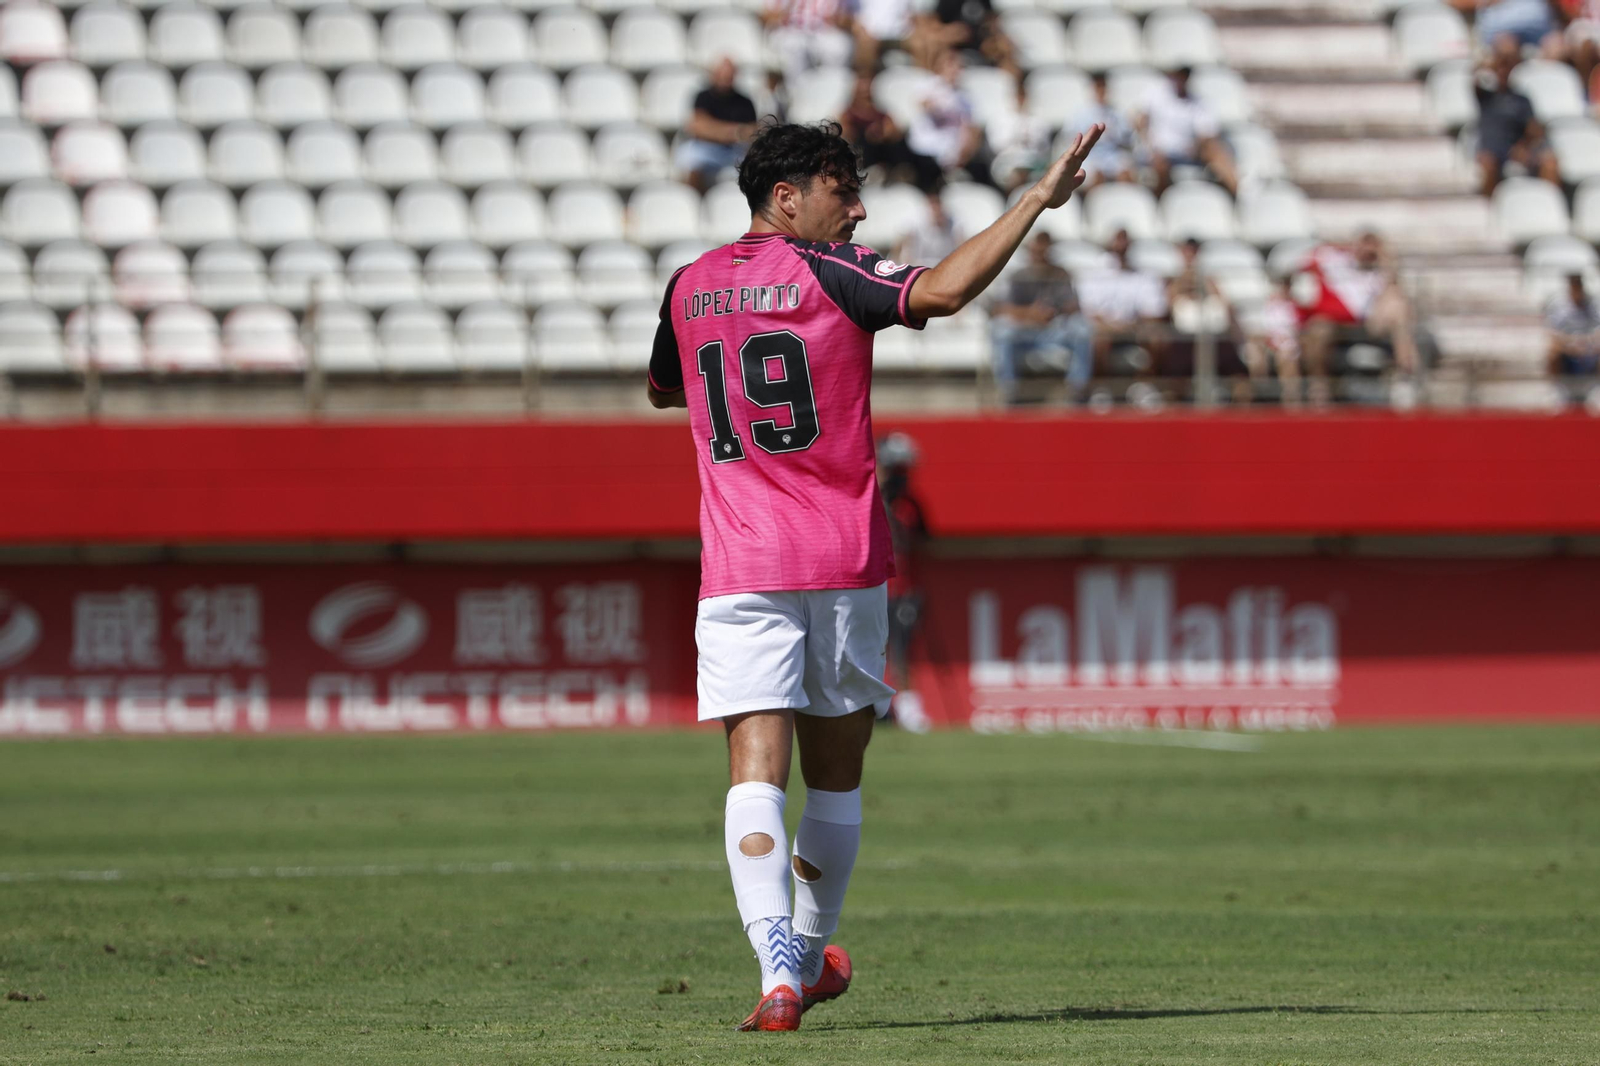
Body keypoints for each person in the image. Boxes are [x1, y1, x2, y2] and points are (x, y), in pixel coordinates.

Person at [646, 117, 1104, 1031]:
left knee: (753, 770)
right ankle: (807, 959)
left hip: (740, 562)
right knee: (838, 776)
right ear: (787, 199)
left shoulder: (689, 284)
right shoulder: (827, 271)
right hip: (844, 559)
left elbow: (664, 387)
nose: (856, 208)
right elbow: (940, 293)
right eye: (840, 189)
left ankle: (778, 975)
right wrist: (1034, 204)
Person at [1298, 231, 1420, 401]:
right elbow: (1307, 259)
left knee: (1398, 306)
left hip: (1369, 321)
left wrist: (1385, 260)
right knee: (1318, 329)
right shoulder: (1334, 260)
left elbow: (1393, 287)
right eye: (1365, 245)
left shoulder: (1378, 272)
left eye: (1373, 247)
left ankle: (1405, 375)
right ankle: (1319, 383)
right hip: (1335, 322)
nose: (1368, 251)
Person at [989, 231, 1093, 403]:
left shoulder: (1060, 274)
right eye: (1036, 249)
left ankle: (1078, 388)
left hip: (1054, 329)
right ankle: (1009, 390)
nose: (1040, 252)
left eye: (1044, 248)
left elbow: (1073, 306)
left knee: (1082, 328)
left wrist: (1053, 311)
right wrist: (1031, 314)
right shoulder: (1019, 276)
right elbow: (1001, 309)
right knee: (1000, 329)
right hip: (1025, 330)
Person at [876, 431, 928, 700]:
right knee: (872, 652)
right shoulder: (869, 501)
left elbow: (923, 542)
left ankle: (906, 706)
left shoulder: (910, 506)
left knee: (902, 652)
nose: (900, 476)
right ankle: (876, 706)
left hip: (903, 591)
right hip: (873, 589)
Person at [1077, 228, 1168, 380]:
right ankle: (1101, 385)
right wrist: (1115, 327)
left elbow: (1153, 313)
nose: (1121, 245)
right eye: (1118, 239)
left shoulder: (1143, 275)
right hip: (1105, 329)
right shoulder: (1092, 275)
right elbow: (1090, 314)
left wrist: (1130, 326)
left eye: (1124, 240)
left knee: (1158, 338)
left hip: (1135, 329)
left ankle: (1145, 383)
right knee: (1098, 340)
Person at [1137, 66, 1237, 194]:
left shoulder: (1198, 101)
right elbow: (1140, 120)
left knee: (1216, 150)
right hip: (1160, 151)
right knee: (1159, 163)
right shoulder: (1155, 93)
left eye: (1185, 75)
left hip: (1188, 152)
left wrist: (1196, 147)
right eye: (1178, 74)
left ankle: (1237, 192)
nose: (1181, 79)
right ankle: (1160, 201)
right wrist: (1149, 144)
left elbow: (1207, 135)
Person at [1475, 44, 1559, 195]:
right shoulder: (1485, 96)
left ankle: (1550, 205)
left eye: (1507, 66)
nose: (1503, 70)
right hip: (1492, 151)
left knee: (1550, 161)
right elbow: (1474, 75)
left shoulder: (1521, 99)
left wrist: (1524, 148)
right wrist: (1493, 59)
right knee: (1488, 163)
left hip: (1515, 148)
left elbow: (1534, 130)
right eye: (1500, 65)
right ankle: (1487, 208)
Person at [906, 50, 996, 190]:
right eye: (952, 65)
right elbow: (927, 107)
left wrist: (964, 153)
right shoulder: (928, 85)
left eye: (959, 67)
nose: (956, 70)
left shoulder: (966, 97)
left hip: (953, 152)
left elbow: (971, 128)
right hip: (926, 149)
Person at [676, 58, 760, 193]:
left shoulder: (745, 101)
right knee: (690, 159)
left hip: (734, 151)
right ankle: (694, 198)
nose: (726, 78)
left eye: (729, 75)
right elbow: (698, 127)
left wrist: (714, 129)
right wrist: (735, 132)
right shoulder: (703, 97)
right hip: (707, 148)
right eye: (723, 74)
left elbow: (752, 132)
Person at [764, 0, 857, 90]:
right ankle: (796, 94)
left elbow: (846, 17)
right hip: (791, 31)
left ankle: (831, 93)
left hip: (823, 32)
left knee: (839, 46)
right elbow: (769, 14)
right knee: (793, 46)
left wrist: (839, 18)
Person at [1244, 273, 1305, 405]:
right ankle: (1259, 397)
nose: (1282, 289)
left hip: (1289, 344)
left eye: (1286, 285)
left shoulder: (1297, 306)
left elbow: (1299, 330)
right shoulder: (1267, 305)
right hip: (1268, 342)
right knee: (1254, 354)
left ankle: (1291, 400)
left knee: (1286, 355)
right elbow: (1257, 331)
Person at [1071, 72, 1137, 186]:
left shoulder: (1116, 112)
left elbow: (1126, 138)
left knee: (1126, 174)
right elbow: (1072, 137)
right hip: (1090, 155)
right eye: (1098, 88)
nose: (1101, 91)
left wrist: (1114, 133)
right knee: (1096, 176)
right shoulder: (1080, 113)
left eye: (1104, 87)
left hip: (1112, 154)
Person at [1546, 273, 1600, 397]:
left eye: (1578, 286)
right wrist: (1571, 345)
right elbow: (1553, 334)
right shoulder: (1558, 305)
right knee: (1552, 353)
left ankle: (1597, 392)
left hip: (1590, 349)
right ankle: (1557, 392)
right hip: (1567, 349)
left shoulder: (1594, 304)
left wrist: (1586, 343)